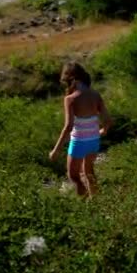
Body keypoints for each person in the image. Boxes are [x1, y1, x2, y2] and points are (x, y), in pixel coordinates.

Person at [49, 62, 113, 197]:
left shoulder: (70, 99)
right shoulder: (95, 94)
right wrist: (103, 131)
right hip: (94, 140)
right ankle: (96, 201)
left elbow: (68, 126)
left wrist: (56, 150)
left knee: (74, 177)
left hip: (78, 142)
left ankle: (84, 207)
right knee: (89, 172)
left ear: (71, 79)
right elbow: (108, 120)